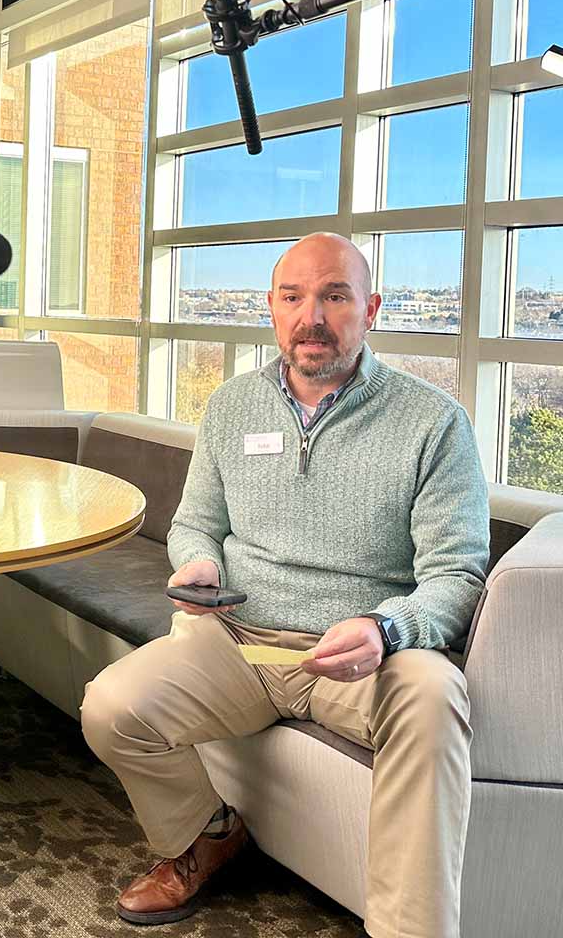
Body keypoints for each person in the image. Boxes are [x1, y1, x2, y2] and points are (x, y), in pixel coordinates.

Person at [81, 232, 488, 938]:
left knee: (433, 697)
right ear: (271, 308)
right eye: (294, 297)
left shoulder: (432, 422)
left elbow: (456, 574)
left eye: (335, 295)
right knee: (112, 706)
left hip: (360, 655)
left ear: (372, 308)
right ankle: (208, 837)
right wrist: (198, 563)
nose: (313, 317)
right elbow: (196, 524)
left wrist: (387, 628)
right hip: (243, 643)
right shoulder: (233, 405)